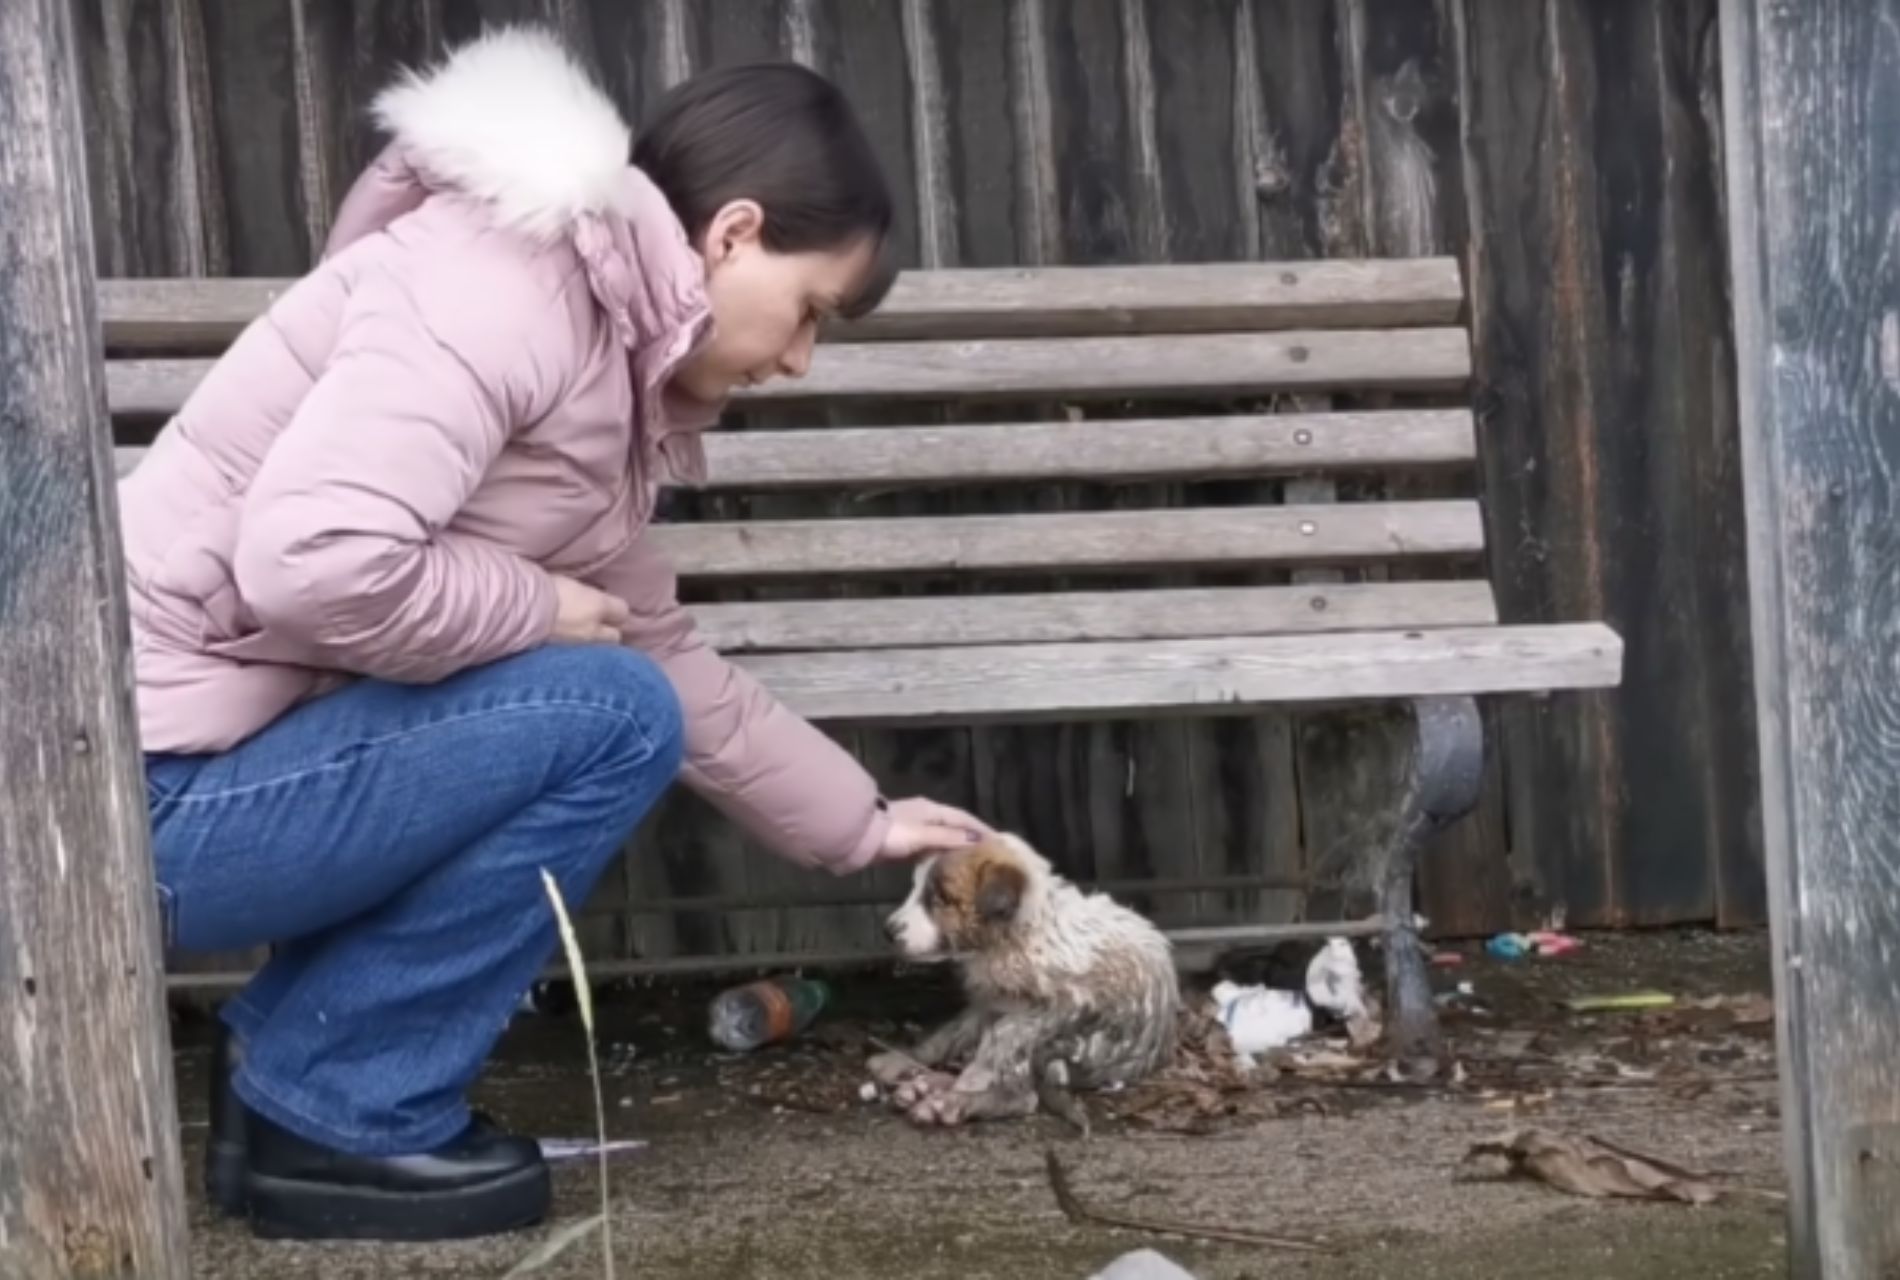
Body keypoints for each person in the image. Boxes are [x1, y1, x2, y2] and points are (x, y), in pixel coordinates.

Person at [123, 27, 989, 1243]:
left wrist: (856, 820)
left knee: (615, 690)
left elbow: (658, 642)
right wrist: (535, 606)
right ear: (733, 233)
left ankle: (305, 1093)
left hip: (190, 789)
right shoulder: (496, 298)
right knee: (605, 712)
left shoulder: (591, 353)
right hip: (125, 820)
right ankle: (336, 1101)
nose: (798, 359)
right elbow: (311, 562)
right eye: (809, 312)